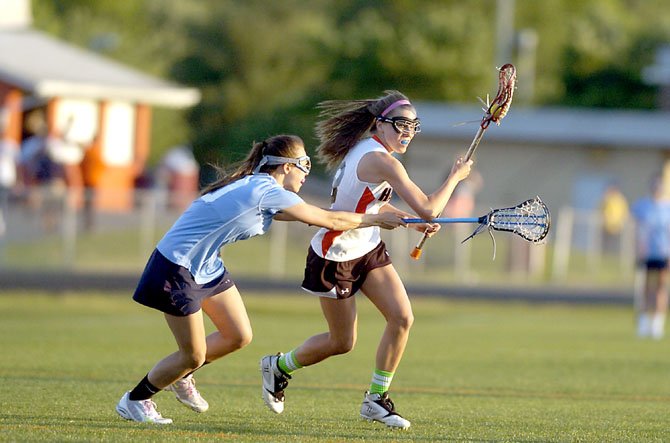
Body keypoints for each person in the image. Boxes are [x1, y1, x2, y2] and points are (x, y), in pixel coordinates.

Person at [115, 134, 406, 424]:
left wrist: (380, 211)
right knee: (192, 355)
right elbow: (331, 221)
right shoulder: (267, 191)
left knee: (238, 335)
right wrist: (375, 220)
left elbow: (320, 215)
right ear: (287, 166)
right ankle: (136, 399)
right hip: (176, 267)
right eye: (304, 164)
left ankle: (183, 374)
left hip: (207, 266)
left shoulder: (264, 188)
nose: (307, 173)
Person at [260, 91, 472, 429]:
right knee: (341, 342)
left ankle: (376, 399)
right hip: (335, 254)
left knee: (402, 318)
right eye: (401, 125)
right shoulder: (380, 160)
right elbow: (432, 206)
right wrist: (455, 178)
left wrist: (411, 220)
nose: (408, 132)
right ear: (380, 124)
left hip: (367, 247)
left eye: (414, 127)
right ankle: (278, 366)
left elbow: (370, 205)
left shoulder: (376, 153)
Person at [631, 173, 670, 340]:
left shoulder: (667, 207)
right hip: (647, 253)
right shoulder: (643, 206)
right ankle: (644, 322)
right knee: (646, 288)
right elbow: (635, 229)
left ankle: (657, 324)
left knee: (661, 287)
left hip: (664, 253)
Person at [600, 181, 629, 253]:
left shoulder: (621, 199)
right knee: (605, 245)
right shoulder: (607, 198)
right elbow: (601, 209)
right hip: (606, 226)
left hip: (617, 227)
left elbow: (625, 212)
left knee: (614, 246)